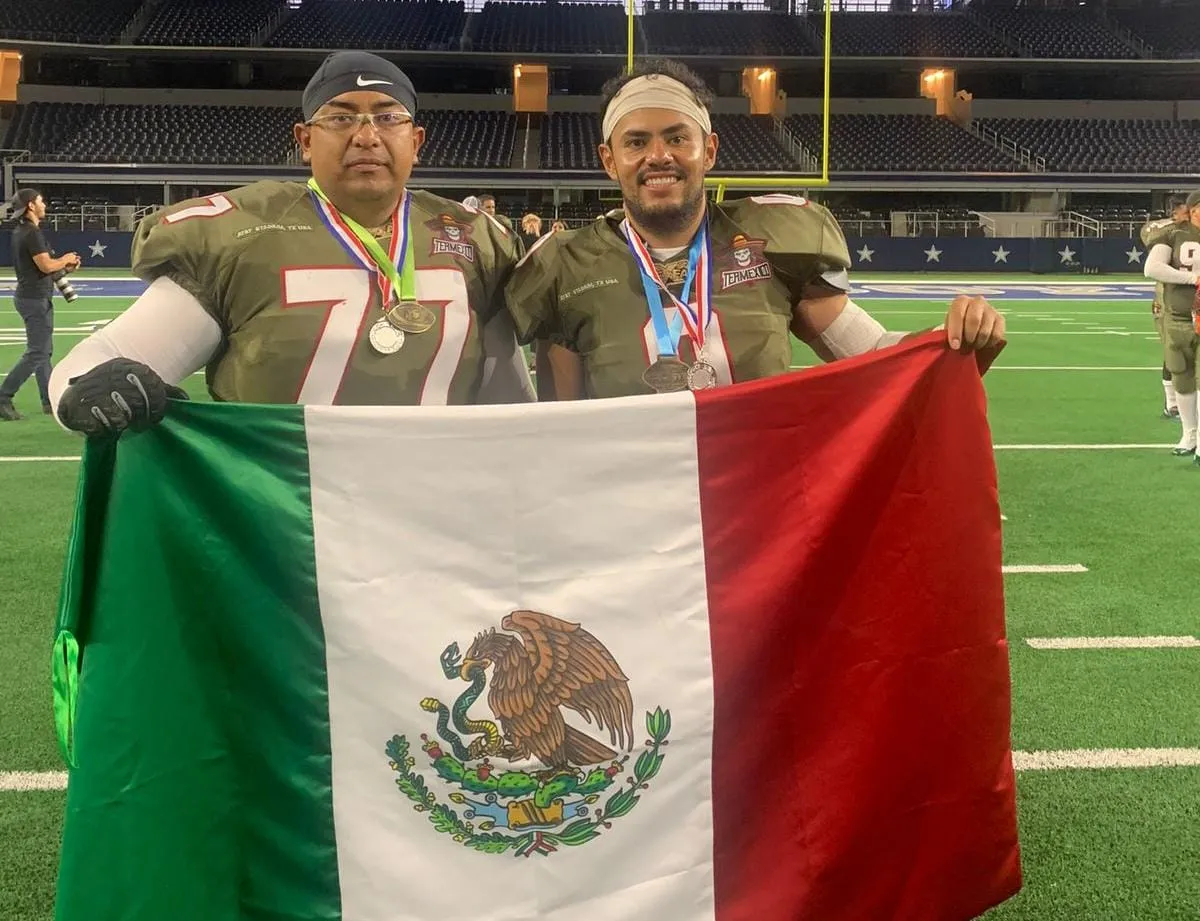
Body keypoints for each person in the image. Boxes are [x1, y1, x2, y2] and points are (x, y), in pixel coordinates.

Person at [49, 51, 533, 437]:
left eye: (388, 118)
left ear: (416, 140)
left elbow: (513, 402)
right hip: (282, 514)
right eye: (341, 119)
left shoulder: (474, 237)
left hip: (433, 508)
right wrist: (83, 391)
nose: (367, 137)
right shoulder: (241, 232)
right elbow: (103, 356)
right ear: (304, 140)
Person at [504, 59, 1005, 401]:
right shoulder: (565, 265)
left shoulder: (772, 241)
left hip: (757, 511)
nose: (659, 156)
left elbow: (877, 356)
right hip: (633, 519)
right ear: (609, 161)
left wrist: (954, 342)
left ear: (710, 151)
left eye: (678, 138)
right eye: (637, 142)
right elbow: (562, 426)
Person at [0, 189, 80, 421]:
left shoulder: (25, 231)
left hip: (33, 297)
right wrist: (64, 259)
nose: (44, 204)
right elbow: (45, 266)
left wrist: (64, 266)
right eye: (41, 201)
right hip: (33, 300)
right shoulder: (31, 233)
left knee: (43, 353)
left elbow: (43, 267)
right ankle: (4, 396)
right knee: (37, 352)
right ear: (31, 206)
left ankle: (48, 400)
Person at [1143, 189, 1200, 461]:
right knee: (1181, 373)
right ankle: (1188, 433)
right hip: (1176, 314)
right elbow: (1152, 267)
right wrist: (1193, 280)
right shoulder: (1172, 232)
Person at [1139, 195, 1188, 420]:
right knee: (1174, 350)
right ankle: (1172, 403)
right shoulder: (1165, 232)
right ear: (1175, 212)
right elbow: (1148, 232)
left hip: (1192, 299)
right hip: (1168, 299)